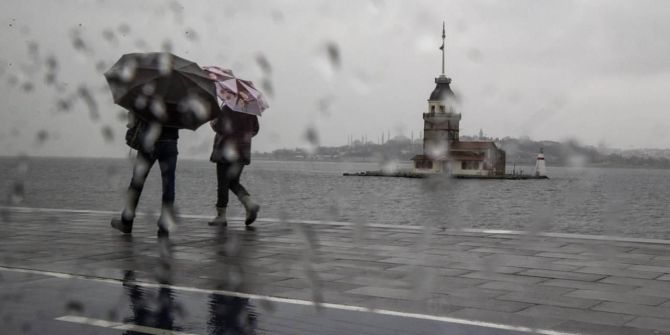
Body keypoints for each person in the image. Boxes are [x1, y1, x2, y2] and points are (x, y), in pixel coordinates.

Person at [111, 109, 180, 236]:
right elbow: (183, 119)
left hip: (150, 142)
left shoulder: (151, 91)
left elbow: (137, 111)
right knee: (169, 185)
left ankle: (127, 221)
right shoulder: (179, 96)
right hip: (170, 143)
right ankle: (164, 226)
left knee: (137, 183)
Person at [208, 105, 260, 227]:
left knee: (223, 183)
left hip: (225, 151)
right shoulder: (250, 110)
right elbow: (255, 129)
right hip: (242, 152)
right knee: (233, 182)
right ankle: (249, 204)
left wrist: (213, 122)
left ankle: (221, 216)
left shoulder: (227, 107)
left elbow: (220, 127)